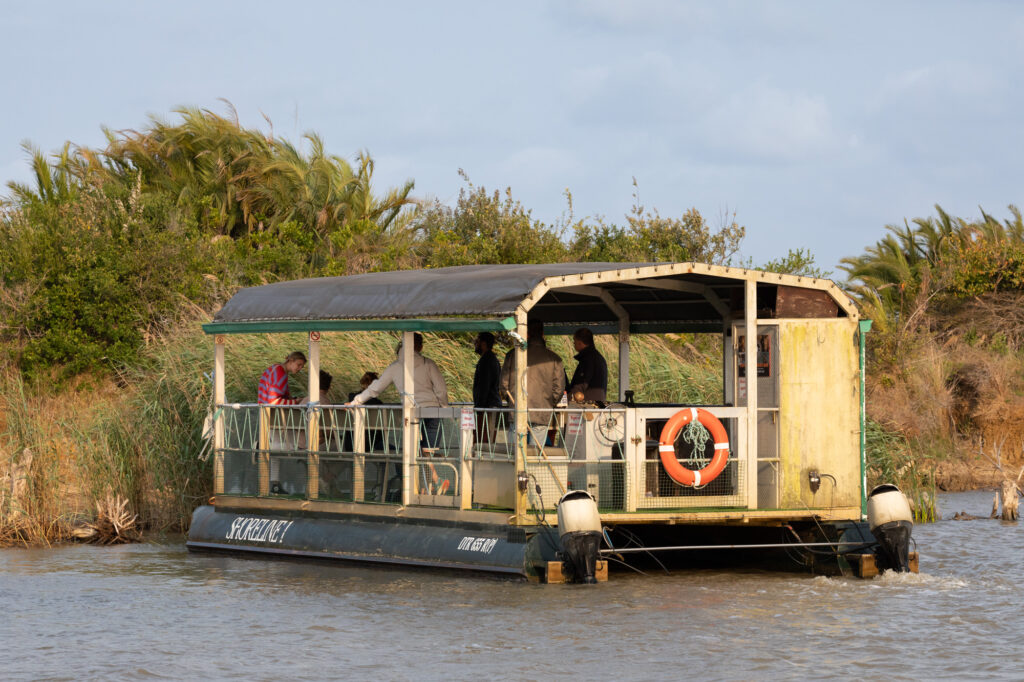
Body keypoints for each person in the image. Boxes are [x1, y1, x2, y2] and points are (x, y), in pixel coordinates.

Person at [347, 334, 451, 494]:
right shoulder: (428, 364)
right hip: (432, 410)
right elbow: (441, 389)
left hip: (411, 413)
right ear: (420, 347)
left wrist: (356, 402)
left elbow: (375, 388)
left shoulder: (395, 367)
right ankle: (431, 484)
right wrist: (444, 407)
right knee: (426, 451)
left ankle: (427, 486)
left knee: (418, 450)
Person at [500, 320, 565, 447]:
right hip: (541, 410)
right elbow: (559, 389)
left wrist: (511, 400)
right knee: (536, 456)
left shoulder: (512, 355)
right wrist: (549, 403)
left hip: (517, 410)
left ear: (526, 334)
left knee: (515, 453)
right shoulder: (555, 358)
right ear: (542, 334)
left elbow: (503, 385)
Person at [257, 351, 307, 494]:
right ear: (290, 361)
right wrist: (295, 402)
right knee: (294, 445)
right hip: (274, 416)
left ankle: (275, 483)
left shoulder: (276, 370)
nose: (299, 368)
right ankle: (263, 447)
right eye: (298, 365)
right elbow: (273, 400)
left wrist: (292, 400)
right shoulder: (279, 372)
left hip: (269, 415)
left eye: (301, 366)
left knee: (278, 452)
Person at [472, 332, 502, 443]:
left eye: (477, 341)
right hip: (489, 404)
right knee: (486, 437)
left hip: (487, 405)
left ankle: (483, 459)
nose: (475, 343)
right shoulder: (491, 359)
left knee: (484, 439)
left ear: (484, 344)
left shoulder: (487, 360)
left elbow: (484, 385)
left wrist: (479, 407)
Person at [569, 327, 608, 403]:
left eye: (574, 341)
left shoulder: (588, 359)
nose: (574, 344)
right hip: (598, 404)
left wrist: (567, 398)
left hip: (588, 407)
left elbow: (581, 384)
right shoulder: (598, 357)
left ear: (580, 342)